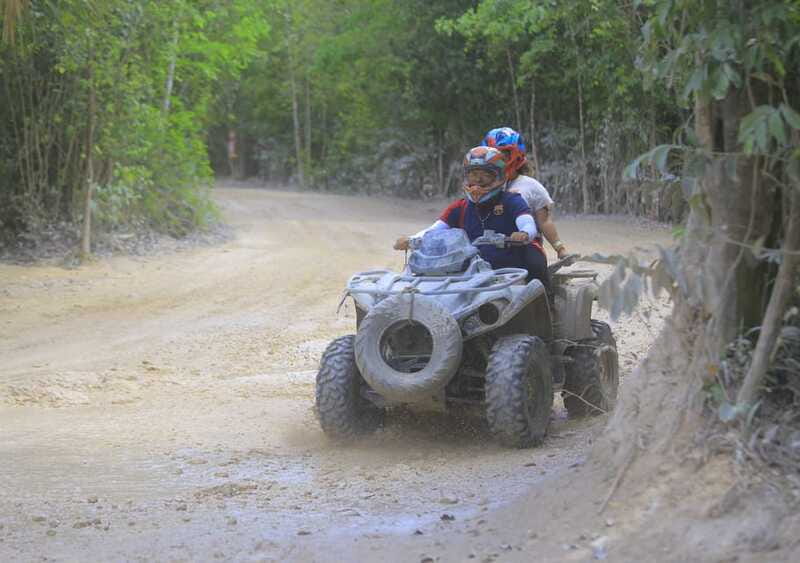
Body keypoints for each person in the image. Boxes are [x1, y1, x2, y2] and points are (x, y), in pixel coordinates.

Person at [394, 146, 550, 292]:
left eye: (485, 176)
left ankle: (549, 302)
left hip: (511, 263)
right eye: (473, 175)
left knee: (535, 263)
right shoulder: (460, 206)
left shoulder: (512, 200)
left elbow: (527, 222)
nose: (478, 182)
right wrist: (411, 239)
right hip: (473, 266)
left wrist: (524, 233)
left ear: (499, 177)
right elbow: (434, 230)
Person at [481, 127, 569, 259]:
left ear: (517, 155)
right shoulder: (481, 188)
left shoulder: (531, 186)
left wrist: (560, 248)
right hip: (493, 247)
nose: (498, 163)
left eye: (503, 157)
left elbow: (544, 221)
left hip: (527, 247)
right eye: (493, 158)